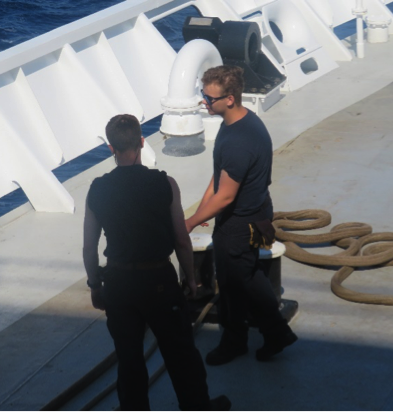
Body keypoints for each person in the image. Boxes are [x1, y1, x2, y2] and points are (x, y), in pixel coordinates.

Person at [83, 114, 231, 411]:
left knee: (129, 359)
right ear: (141, 142)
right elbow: (181, 240)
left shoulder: (97, 189)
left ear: (111, 148)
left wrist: (96, 286)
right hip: (158, 282)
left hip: (119, 283)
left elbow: (89, 247)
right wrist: (190, 279)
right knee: (181, 353)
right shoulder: (165, 183)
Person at [185, 66, 297, 366]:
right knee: (247, 276)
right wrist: (202, 210)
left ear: (230, 99)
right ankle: (276, 333)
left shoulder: (238, 142)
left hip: (238, 225)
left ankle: (235, 342)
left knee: (233, 285)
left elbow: (225, 196)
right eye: (203, 95)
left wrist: (190, 223)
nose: (204, 102)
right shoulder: (240, 122)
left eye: (210, 98)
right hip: (257, 212)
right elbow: (220, 176)